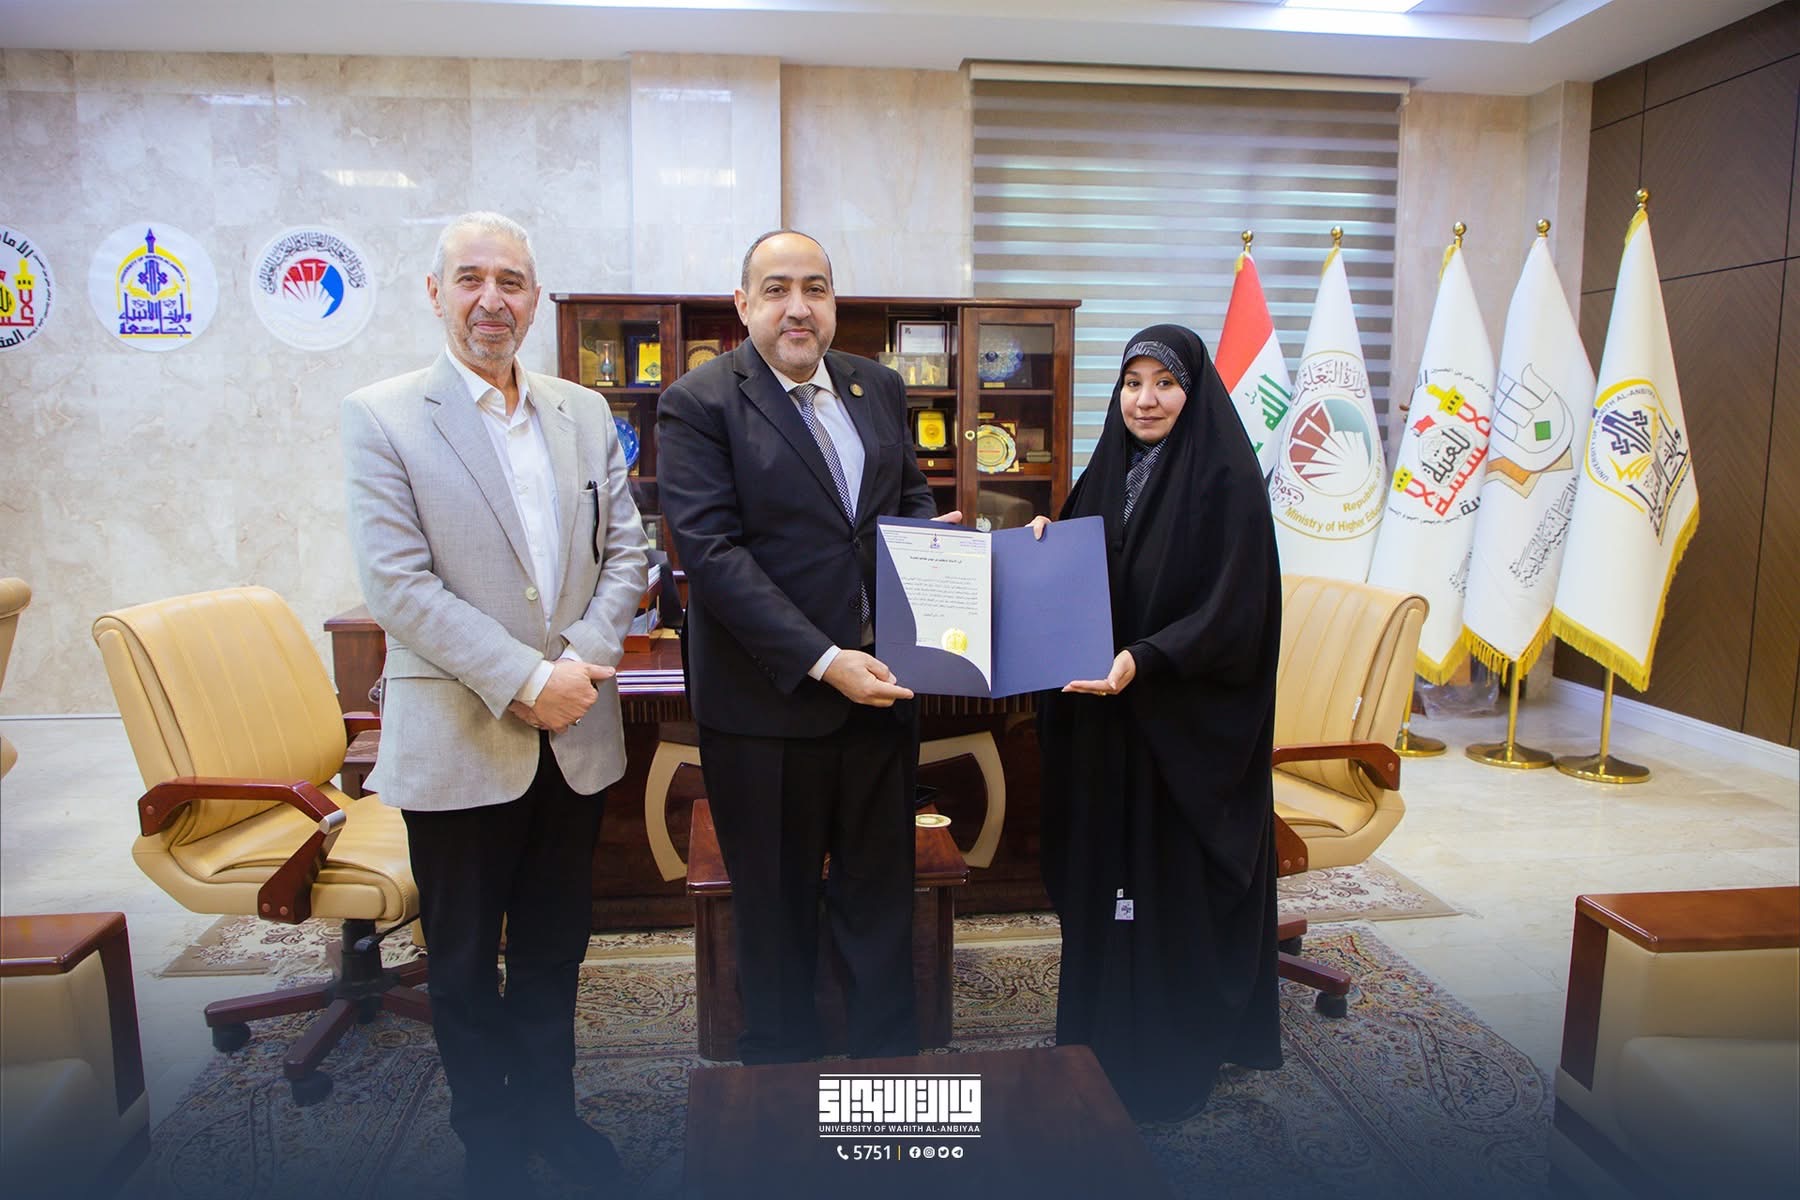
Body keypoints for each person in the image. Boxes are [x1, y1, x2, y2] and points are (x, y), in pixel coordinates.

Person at [340, 212, 648, 1193]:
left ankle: (553, 1116)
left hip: (576, 734)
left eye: (511, 281)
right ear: (436, 293)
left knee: (556, 950)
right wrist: (525, 679)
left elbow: (629, 553)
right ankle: (492, 1141)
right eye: (470, 278)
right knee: (466, 965)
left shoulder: (583, 412)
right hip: (462, 737)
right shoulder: (383, 416)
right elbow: (397, 585)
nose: (492, 299)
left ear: (535, 298)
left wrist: (578, 664)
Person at [656, 230, 958, 1064]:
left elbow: (908, 497)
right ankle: (779, 1090)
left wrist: (942, 548)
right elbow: (712, 555)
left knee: (881, 901)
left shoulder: (876, 385)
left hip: (883, 693)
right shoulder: (698, 403)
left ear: (833, 302)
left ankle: (886, 1081)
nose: (799, 308)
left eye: (815, 289)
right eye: (778, 288)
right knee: (776, 911)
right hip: (770, 708)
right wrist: (827, 661)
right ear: (743, 304)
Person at [1034, 323, 1283, 1122]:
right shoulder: (1108, 470)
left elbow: (1234, 612)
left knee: (1163, 896)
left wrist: (1147, 659)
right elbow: (1082, 569)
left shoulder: (1226, 481)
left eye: (1165, 383)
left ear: (1194, 391)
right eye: (1132, 382)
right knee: (1106, 889)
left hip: (1182, 735)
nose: (1145, 400)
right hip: (1110, 730)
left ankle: (1166, 1065)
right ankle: (1096, 1044)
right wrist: (1043, 545)